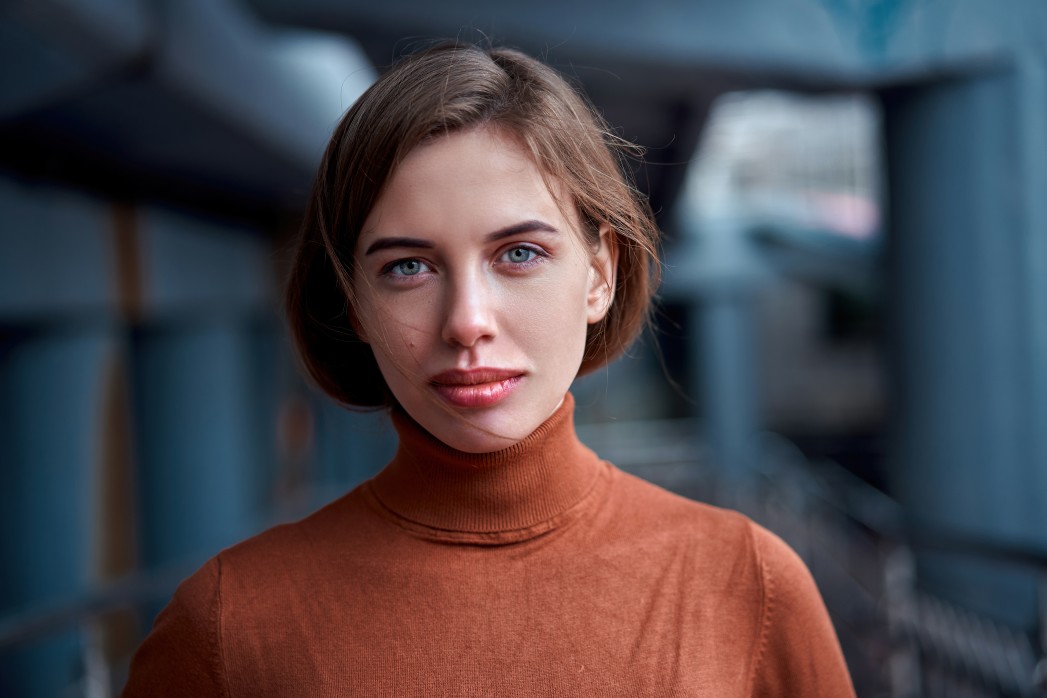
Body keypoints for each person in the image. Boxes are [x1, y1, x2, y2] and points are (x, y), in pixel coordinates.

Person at [123, 43, 855, 696]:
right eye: (407, 267)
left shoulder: (746, 586)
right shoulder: (229, 626)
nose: (466, 319)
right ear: (353, 304)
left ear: (600, 274)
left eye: (519, 254)